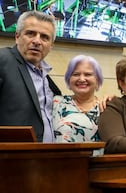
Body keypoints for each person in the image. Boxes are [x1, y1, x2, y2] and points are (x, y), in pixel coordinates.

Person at [0, 10, 61, 142]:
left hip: (44, 159)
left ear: (51, 45)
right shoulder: (3, 60)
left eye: (44, 37)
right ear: (17, 36)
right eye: (30, 34)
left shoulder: (48, 81)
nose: (37, 41)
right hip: (10, 158)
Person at [52, 55, 103, 143]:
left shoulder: (105, 106)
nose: (82, 79)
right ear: (69, 79)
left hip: (98, 156)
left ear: (97, 80)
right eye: (76, 74)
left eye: (88, 74)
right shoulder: (56, 102)